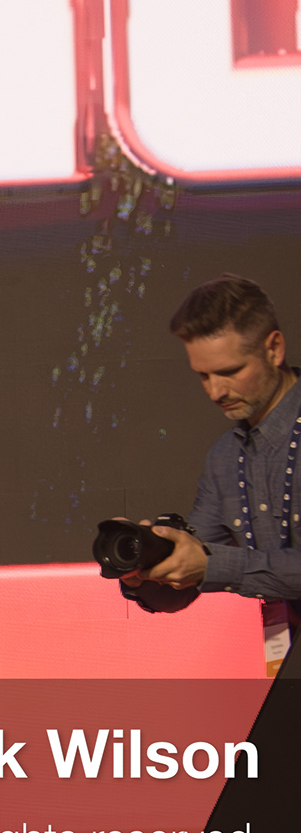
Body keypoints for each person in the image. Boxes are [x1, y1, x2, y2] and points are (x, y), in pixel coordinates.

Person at [120, 273, 301, 677]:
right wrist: (144, 567)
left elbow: (210, 565)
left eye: (229, 371)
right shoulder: (226, 456)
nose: (216, 392)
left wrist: (213, 566)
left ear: (274, 348)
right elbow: (187, 582)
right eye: (203, 375)